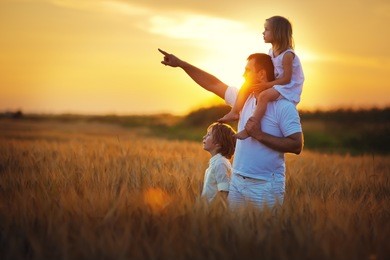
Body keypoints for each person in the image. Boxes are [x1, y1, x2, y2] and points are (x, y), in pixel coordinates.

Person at [158, 49, 303, 210]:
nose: (243, 75)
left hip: (266, 185)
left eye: (247, 70)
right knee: (234, 233)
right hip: (236, 182)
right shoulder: (242, 99)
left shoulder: (284, 106)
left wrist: (260, 135)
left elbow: (297, 145)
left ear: (261, 75)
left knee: (262, 234)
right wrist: (181, 64)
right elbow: (213, 84)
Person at [218, 16, 305, 140]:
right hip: (277, 84)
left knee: (264, 96)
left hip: (288, 87)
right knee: (247, 85)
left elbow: (286, 79)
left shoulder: (287, 55)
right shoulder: (272, 51)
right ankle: (234, 112)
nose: (263, 32)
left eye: (266, 29)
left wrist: (266, 85)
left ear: (277, 32)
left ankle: (250, 127)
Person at [200, 122, 236, 203]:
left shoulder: (220, 163)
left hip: (212, 211)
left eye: (208, 135)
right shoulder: (216, 162)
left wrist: (212, 210)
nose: (204, 137)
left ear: (218, 144)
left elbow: (224, 192)